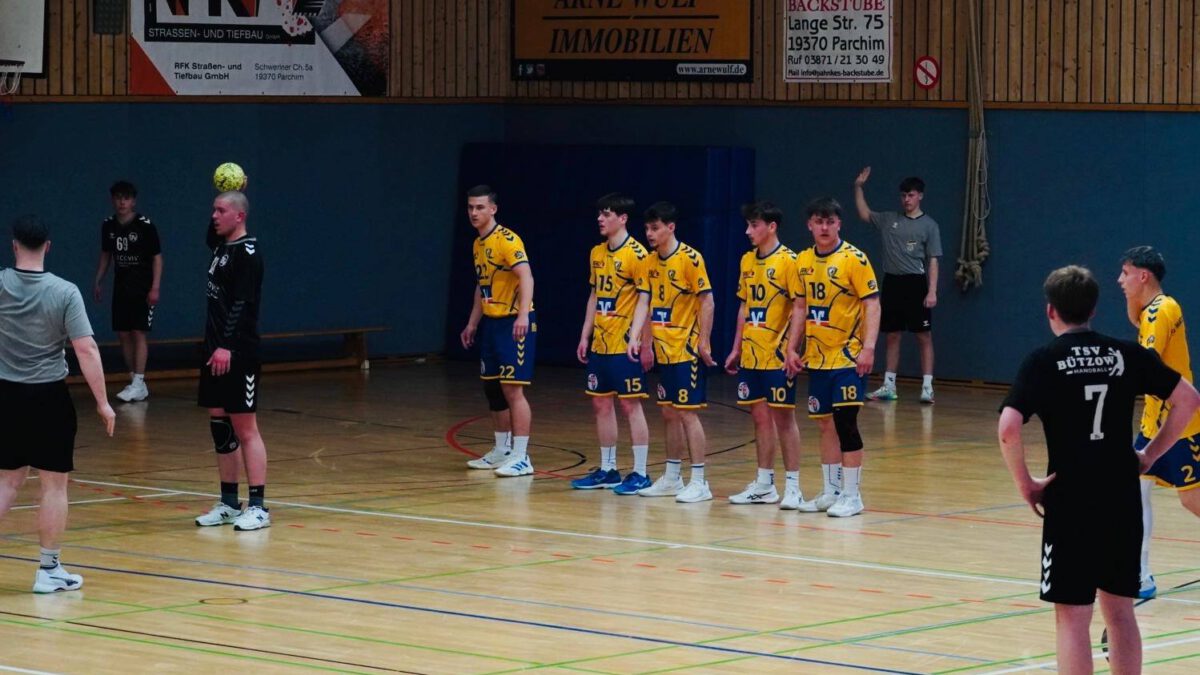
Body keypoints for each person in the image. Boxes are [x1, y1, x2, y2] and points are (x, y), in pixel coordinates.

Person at [998, 264, 1200, 675]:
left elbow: (1008, 428)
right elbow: (1189, 399)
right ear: (1093, 309)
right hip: (1120, 496)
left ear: (1050, 310)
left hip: (1070, 500)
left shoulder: (1043, 361)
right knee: (1120, 613)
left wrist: (1026, 484)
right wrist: (1150, 454)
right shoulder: (1125, 353)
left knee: (1072, 617)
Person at [0, 215, 115, 593]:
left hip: (7, 395)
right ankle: (48, 570)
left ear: (14, 245)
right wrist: (103, 403)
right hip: (49, 397)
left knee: (7, 481)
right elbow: (86, 348)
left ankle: (51, 570)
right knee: (53, 486)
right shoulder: (65, 292)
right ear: (48, 246)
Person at [785, 197, 880, 517]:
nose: (824, 227)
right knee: (825, 423)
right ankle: (831, 491)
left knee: (846, 422)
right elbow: (800, 306)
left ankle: (853, 495)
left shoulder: (854, 259)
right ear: (809, 225)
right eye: (818, 221)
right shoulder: (802, 260)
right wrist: (792, 347)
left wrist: (868, 347)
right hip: (817, 358)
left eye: (830, 221)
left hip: (848, 358)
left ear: (839, 224)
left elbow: (872, 304)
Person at [1117, 246, 1200, 599]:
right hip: (1153, 423)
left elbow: (1147, 361)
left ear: (1143, 275)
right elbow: (1137, 321)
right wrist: (1131, 295)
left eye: (1125, 273)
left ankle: (1141, 573)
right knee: (1136, 494)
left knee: (1191, 500)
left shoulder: (1161, 311)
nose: (1120, 280)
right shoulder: (1157, 307)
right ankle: (1142, 575)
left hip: (1178, 424)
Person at [627, 202, 716, 503]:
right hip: (664, 350)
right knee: (668, 413)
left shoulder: (691, 258)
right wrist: (639, 339)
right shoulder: (648, 262)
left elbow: (707, 302)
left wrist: (703, 341)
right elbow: (644, 302)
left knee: (687, 413)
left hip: (685, 349)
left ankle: (700, 482)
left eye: (655, 228)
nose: (649, 234)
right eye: (647, 228)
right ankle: (673, 477)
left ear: (671, 227)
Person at [194, 192, 271, 531]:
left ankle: (258, 507)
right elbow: (210, 233)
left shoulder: (248, 253)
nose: (214, 215)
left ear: (239, 216)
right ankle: (228, 502)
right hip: (214, 351)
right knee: (220, 427)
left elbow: (242, 302)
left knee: (245, 428)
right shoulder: (221, 248)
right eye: (213, 209)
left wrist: (226, 345)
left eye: (221, 210)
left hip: (238, 353)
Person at [724, 201, 806, 509]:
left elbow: (800, 308)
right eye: (748, 225)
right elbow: (744, 307)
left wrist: (792, 348)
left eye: (754, 225)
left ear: (771, 227)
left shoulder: (789, 262)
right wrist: (736, 347)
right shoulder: (747, 260)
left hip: (776, 354)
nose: (748, 231)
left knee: (784, 418)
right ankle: (764, 484)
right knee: (759, 418)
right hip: (751, 353)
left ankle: (794, 487)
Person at [572, 193, 654, 494]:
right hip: (601, 343)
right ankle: (608, 469)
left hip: (624, 344)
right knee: (600, 403)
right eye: (599, 213)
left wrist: (645, 343)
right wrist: (585, 334)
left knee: (630, 404)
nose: (600, 219)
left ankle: (641, 472)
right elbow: (594, 296)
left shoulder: (638, 254)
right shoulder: (596, 253)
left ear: (623, 218)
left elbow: (646, 301)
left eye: (606, 214)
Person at [459, 185, 536, 477]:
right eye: (470, 207)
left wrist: (523, 314)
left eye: (480, 207)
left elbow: (526, 276)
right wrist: (472, 323)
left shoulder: (507, 240)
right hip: (491, 322)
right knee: (492, 388)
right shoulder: (478, 244)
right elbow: (482, 286)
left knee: (513, 389)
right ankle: (501, 450)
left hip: (513, 322)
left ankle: (521, 456)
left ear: (493, 209)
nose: (474, 212)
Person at [853, 168, 941, 404]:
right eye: (903, 195)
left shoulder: (930, 226)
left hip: (916, 283)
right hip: (892, 282)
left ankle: (927, 387)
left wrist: (932, 291)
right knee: (892, 335)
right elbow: (864, 213)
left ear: (920, 196)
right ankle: (889, 385)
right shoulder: (888, 219)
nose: (906, 200)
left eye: (911, 195)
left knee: (923, 336)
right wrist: (858, 187)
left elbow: (933, 260)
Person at [93, 181, 163, 402]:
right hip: (121, 286)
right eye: (118, 198)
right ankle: (134, 381)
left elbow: (157, 258)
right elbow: (106, 254)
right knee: (123, 333)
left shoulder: (145, 225)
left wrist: (155, 287)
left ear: (133, 201)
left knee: (138, 332)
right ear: (112, 200)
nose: (122, 202)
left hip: (142, 287)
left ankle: (139, 381)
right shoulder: (108, 225)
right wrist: (99, 279)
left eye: (126, 198)